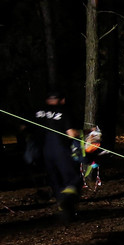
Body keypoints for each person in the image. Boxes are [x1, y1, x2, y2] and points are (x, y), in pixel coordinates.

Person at [33, 90, 83, 222]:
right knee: (72, 180)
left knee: (56, 182)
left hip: (44, 152)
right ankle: (68, 205)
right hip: (61, 150)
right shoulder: (63, 111)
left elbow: (24, 128)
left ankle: (63, 210)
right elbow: (71, 133)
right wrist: (85, 132)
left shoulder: (38, 112)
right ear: (62, 100)